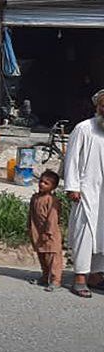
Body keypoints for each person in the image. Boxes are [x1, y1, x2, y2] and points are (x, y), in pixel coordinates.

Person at [64, 88, 104, 298]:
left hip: (103, 195)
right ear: (98, 107)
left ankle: (96, 276)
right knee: (85, 233)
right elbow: (71, 158)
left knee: (102, 233)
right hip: (86, 190)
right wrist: (72, 186)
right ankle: (80, 277)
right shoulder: (83, 129)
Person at [29, 170, 63, 292]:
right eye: (41, 181)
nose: (42, 184)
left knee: (52, 257)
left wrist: (48, 233)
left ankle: (55, 280)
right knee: (42, 255)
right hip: (37, 232)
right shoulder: (35, 198)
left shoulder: (52, 200)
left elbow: (52, 218)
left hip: (50, 234)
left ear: (53, 187)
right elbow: (31, 215)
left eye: (46, 183)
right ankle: (45, 276)